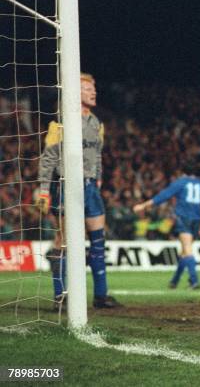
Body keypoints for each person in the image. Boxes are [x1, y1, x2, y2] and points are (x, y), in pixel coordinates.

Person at [37, 73, 121, 309]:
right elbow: (48, 158)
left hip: (90, 187)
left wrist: (99, 178)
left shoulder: (96, 123)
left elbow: (98, 156)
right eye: (86, 88)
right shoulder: (61, 123)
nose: (93, 91)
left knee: (97, 239)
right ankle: (60, 295)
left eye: (93, 88)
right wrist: (44, 190)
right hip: (65, 185)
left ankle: (101, 295)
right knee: (63, 240)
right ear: (74, 93)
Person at [133, 162, 200, 289]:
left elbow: (164, 196)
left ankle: (194, 280)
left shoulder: (181, 182)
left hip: (184, 218)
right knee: (184, 252)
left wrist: (143, 205)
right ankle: (174, 281)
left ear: (182, 171)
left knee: (187, 250)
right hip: (197, 220)